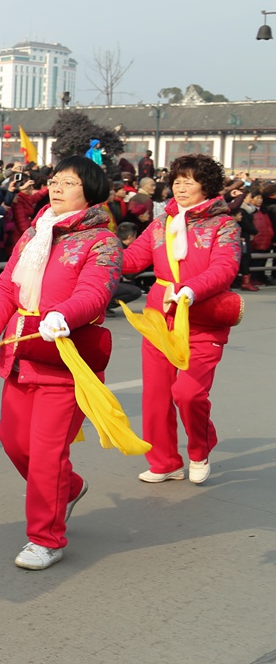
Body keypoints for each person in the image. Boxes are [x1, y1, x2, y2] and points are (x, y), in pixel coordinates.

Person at [0, 155, 120, 570]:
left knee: (46, 455)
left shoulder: (102, 240)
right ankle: (68, 489)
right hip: (22, 355)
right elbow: (7, 286)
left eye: (68, 183)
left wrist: (65, 314)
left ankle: (46, 538)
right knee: (14, 442)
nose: (56, 188)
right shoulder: (35, 232)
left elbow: (96, 291)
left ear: (89, 192)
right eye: (55, 180)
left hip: (64, 362)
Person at [121, 154, 240, 486]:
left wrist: (191, 289)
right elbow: (132, 260)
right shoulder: (161, 223)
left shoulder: (223, 225)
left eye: (190, 181)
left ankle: (199, 450)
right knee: (156, 396)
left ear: (207, 186)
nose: (181, 187)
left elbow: (225, 267)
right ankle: (165, 462)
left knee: (188, 393)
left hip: (201, 317)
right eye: (177, 181)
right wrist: (99, 251)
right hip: (159, 317)